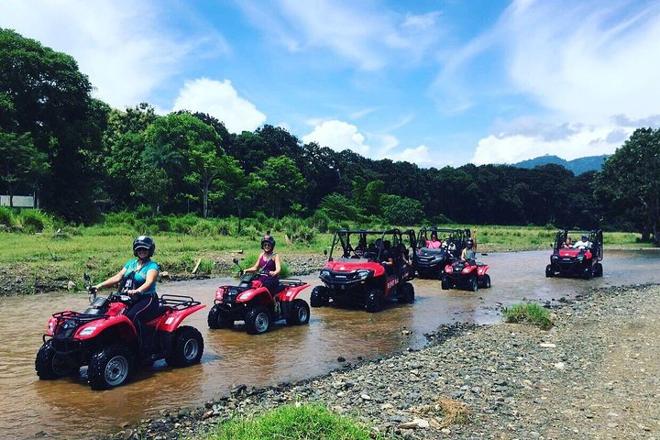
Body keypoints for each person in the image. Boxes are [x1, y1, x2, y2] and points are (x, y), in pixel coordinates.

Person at [94, 236, 160, 352]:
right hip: (128, 298)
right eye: (139, 249)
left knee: (131, 317)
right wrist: (99, 285)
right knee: (108, 313)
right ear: (135, 250)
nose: (142, 251)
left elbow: (149, 282)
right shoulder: (131, 264)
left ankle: (143, 347)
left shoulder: (152, 266)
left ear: (150, 250)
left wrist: (138, 291)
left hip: (146, 298)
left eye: (144, 249)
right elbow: (118, 277)